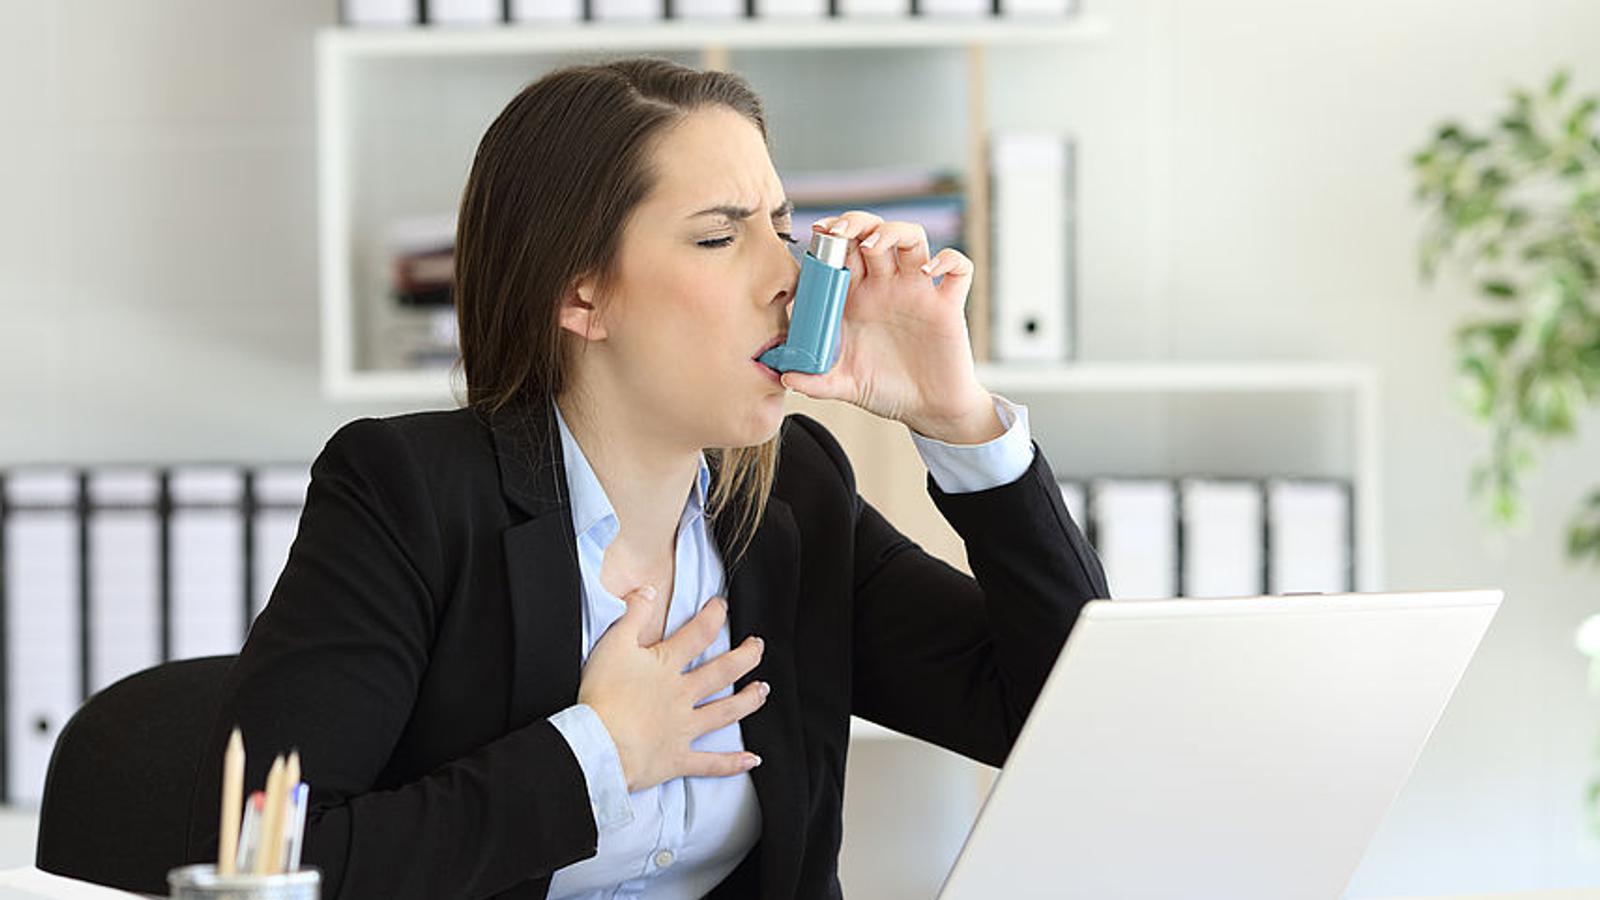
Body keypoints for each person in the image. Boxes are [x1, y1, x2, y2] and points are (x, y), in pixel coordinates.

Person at [185, 56, 1110, 900]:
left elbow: (1066, 724)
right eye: (720, 239)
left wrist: (961, 422)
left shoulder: (795, 497)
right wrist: (596, 755)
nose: (787, 276)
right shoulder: (407, 494)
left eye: (782, 229)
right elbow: (274, 866)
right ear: (582, 294)